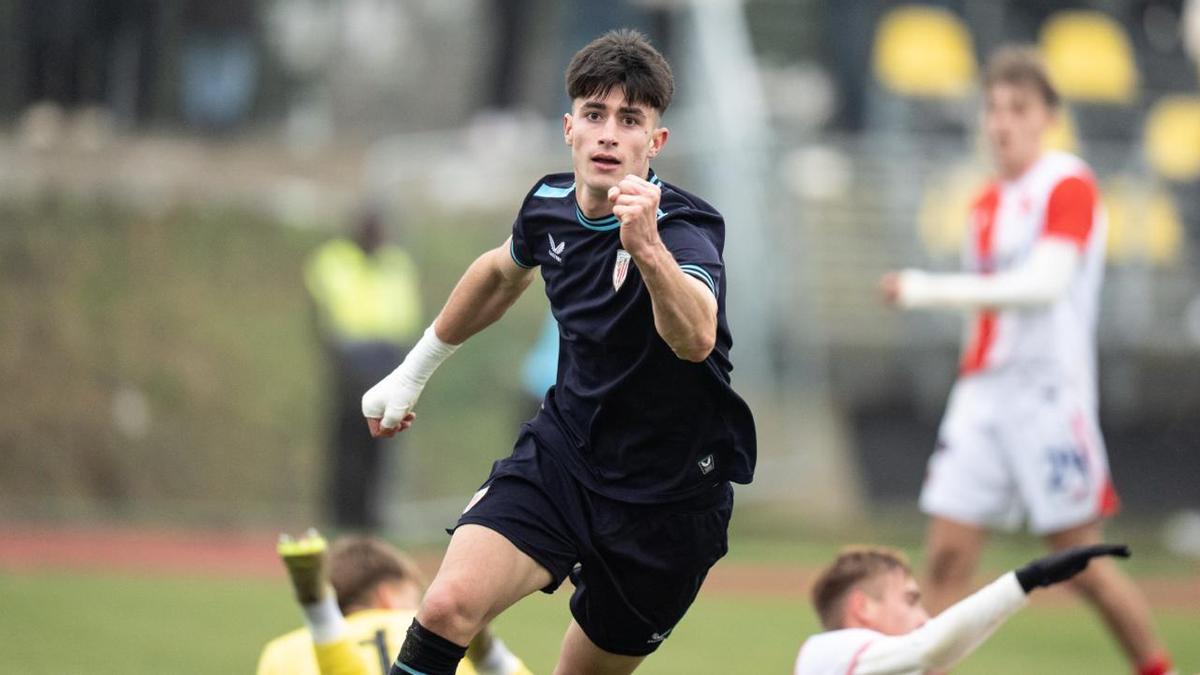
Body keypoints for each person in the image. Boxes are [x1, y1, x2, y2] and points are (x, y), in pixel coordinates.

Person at [360, 29, 756, 675]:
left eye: (630, 120)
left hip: (670, 498)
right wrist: (412, 372)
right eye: (595, 115)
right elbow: (498, 273)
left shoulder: (685, 227)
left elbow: (697, 336)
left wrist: (647, 249)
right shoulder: (547, 206)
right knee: (446, 604)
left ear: (655, 143)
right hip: (566, 456)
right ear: (568, 128)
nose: (608, 134)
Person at [881, 46, 1174, 675]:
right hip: (984, 396)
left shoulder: (1067, 182)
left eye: (1018, 108)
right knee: (945, 560)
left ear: (1048, 116)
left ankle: (1157, 667)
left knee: (1080, 563)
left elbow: (1043, 285)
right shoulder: (985, 203)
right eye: (993, 108)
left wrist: (927, 288)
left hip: (1047, 396)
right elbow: (989, 314)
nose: (1002, 122)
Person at [794, 543, 1131, 674]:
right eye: (910, 601)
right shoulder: (826, 654)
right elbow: (930, 648)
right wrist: (1028, 580)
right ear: (862, 606)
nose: (925, 618)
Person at [258, 530, 531, 675]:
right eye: (415, 593)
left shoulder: (283, 651)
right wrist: (487, 659)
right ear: (386, 595)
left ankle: (320, 616)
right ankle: (489, 652)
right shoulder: (441, 639)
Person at [305, 208, 423, 530]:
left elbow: (406, 313)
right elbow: (321, 312)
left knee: (382, 443)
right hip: (350, 361)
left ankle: (372, 517)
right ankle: (342, 516)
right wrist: (338, 359)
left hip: (390, 361)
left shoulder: (397, 263)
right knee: (349, 442)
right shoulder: (333, 260)